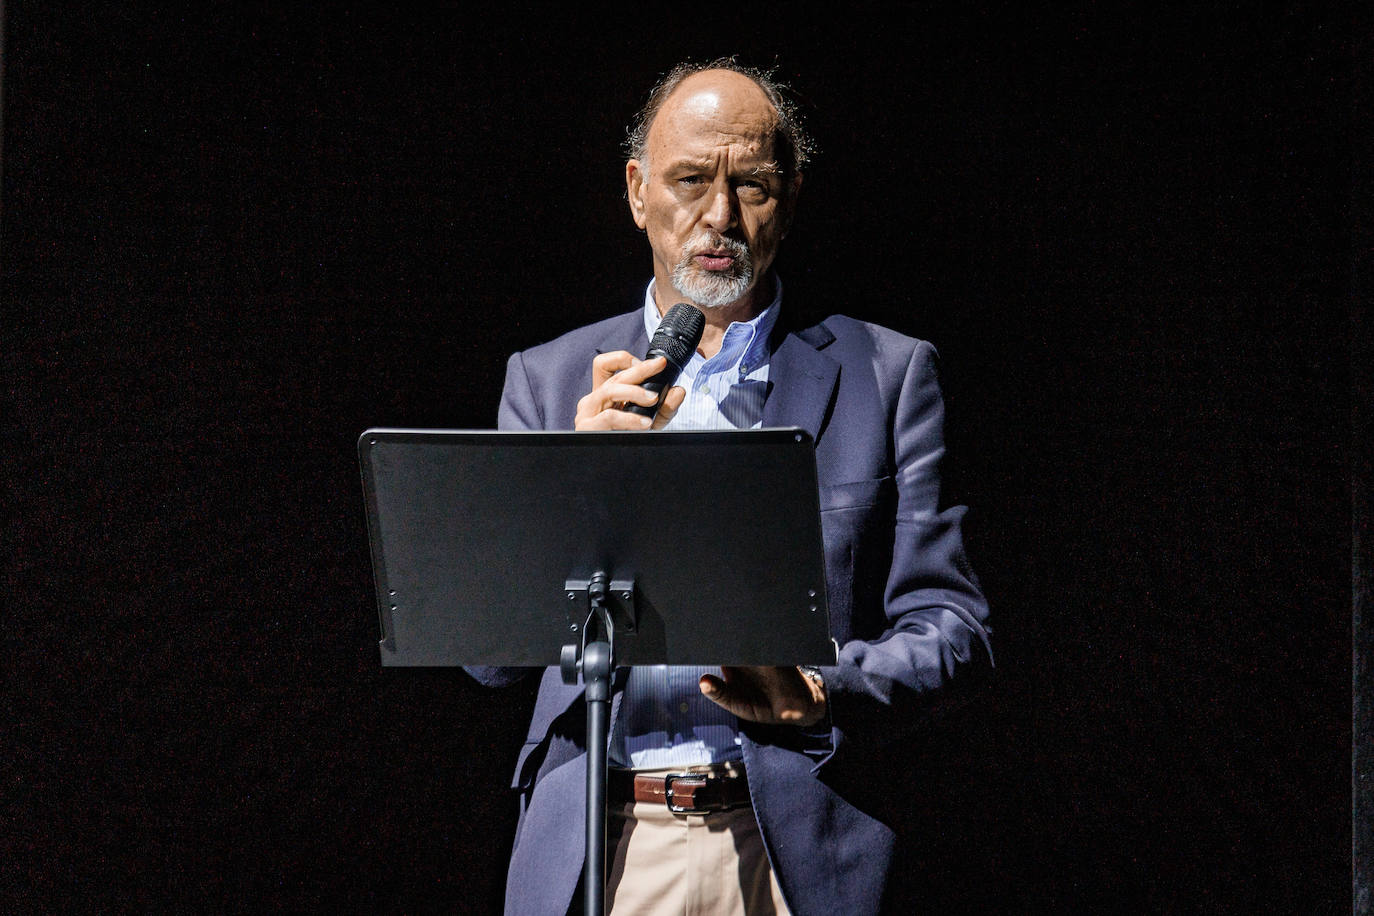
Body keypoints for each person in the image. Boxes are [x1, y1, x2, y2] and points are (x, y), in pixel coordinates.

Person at [468, 59, 991, 915]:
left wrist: (819, 688)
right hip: (605, 846)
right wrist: (571, 489)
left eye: (752, 184)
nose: (719, 216)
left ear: (788, 199)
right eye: (689, 181)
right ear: (638, 192)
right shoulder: (548, 379)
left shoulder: (889, 375)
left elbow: (955, 629)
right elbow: (488, 661)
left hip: (792, 848)